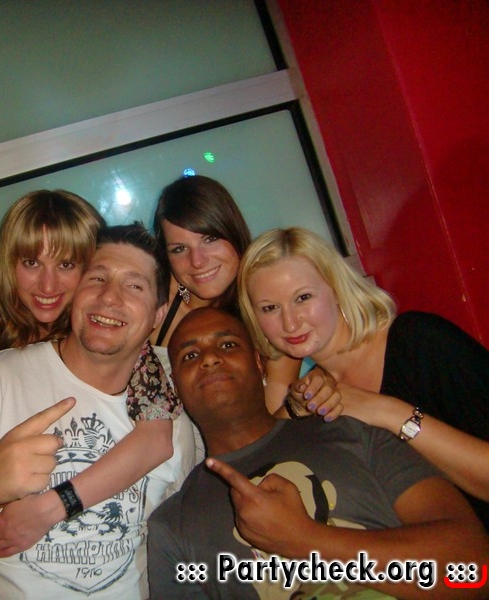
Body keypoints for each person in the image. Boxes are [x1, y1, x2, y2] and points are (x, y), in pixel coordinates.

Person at [0, 224, 195, 599]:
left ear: (158, 314)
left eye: (134, 286)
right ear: (74, 292)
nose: (110, 297)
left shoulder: (170, 416)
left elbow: (183, 559)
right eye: (97, 278)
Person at [148, 307, 489, 599]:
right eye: (190, 356)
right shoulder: (172, 526)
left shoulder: (354, 434)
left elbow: (475, 568)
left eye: (227, 345)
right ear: (175, 387)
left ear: (259, 363)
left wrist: (307, 540)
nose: (209, 358)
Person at [0, 190, 182, 557]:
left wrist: (53, 506)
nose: (48, 285)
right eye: (31, 263)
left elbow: (156, 438)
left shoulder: (110, 341)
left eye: (67, 265)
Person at [238, 226, 489, 524]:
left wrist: (386, 412)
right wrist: (294, 407)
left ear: (336, 289)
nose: (290, 323)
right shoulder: (314, 393)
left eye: (303, 298)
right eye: (269, 308)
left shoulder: (418, 342)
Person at [150, 175, 309, 455]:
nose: (197, 261)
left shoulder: (270, 309)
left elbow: (270, 424)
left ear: (232, 230)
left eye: (210, 239)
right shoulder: (158, 298)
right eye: (179, 249)